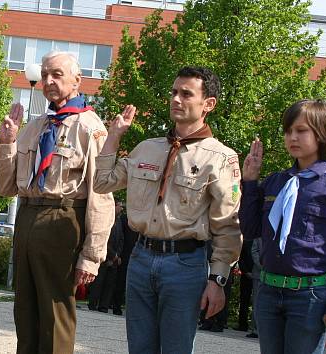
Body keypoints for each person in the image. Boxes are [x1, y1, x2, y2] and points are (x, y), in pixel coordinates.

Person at [94, 66, 243, 353]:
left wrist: (218, 280)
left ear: (208, 104)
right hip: (140, 258)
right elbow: (102, 183)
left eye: (186, 94)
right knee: (139, 348)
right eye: (174, 92)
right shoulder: (146, 149)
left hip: (185, 264)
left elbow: (227, 225)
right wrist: (113, 138)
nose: (176, 99)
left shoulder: (221, 158)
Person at [0, 51, 115, 354]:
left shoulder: (90, 127)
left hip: (63, 220)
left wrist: (91, 255)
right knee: (25, 312)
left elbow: (101, 195)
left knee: (55, 313)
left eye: (57, 74)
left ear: (77, 80)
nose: (48, 80)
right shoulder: (36, 126)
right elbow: (6, 186)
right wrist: (8, 142)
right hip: (27, 218)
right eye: (45, 74)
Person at [240, 99, 326, 353]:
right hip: (269, 292)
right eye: (288, 131)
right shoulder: (277, 182)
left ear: (322, 133)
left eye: (301, 130)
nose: (292, 137)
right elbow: (251, 230)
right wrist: (250, 182)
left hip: (310, 297)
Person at [88, 201, 124, 313]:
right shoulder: (107, 218)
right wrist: (112, 255)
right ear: (114, 206)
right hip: (104, 256)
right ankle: (93, 304)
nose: (122, 209)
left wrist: (117, 255)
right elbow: (104, 238)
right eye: (120, 206)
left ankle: (104, 306)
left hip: (114, 260)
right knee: (98, 282)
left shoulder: (118, 221)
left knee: (110, 284)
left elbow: (122, 239)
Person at [111, 208, 138, 316]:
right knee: (120, 282)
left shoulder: (144, 219)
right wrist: (119, 254)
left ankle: (130, 308)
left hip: (137, 255)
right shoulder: (124, 218)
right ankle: (116, 305)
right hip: (125, 255)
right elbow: (121, 237)